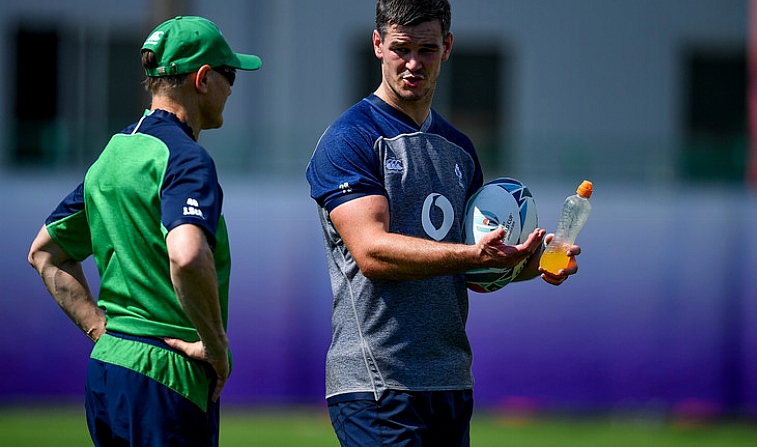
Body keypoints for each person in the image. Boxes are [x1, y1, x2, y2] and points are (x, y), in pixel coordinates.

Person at [305, 1, 580, 445]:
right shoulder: (350, 138)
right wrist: (473, 253)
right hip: (379, 382)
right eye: (401, 48)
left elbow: (471, 270)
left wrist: (527, 263)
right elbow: (372, 252)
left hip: (450, 380)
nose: (413, 63)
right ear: (378, 45)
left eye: (427, 49)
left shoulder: (459, 148)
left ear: (447, 47)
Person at [27, 16, 261, 447]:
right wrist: (214, 346)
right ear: (204, 78)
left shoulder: (112, 155)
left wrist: (104, 331)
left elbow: (45, 254)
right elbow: (187, 255)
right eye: (230, 75)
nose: (232, 88)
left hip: (108, 367)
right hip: (168, 377)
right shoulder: (186, 158)